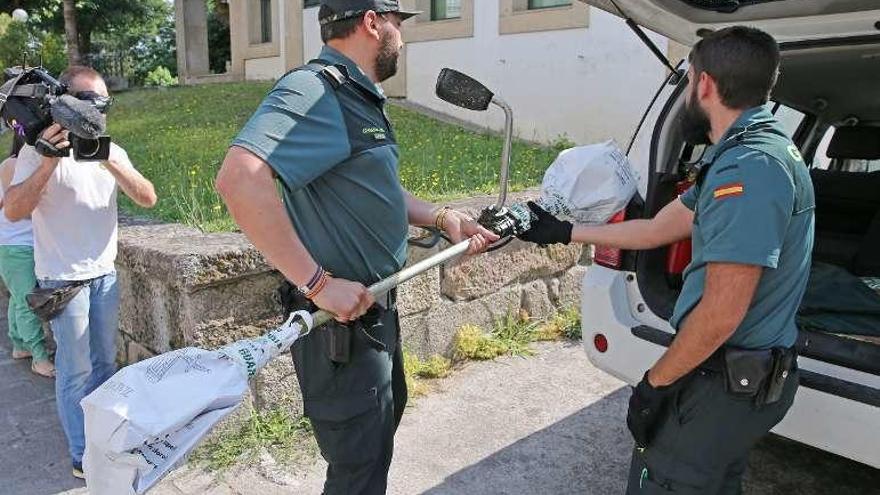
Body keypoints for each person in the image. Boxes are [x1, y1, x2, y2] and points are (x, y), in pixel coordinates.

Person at [216, 1, 498, 493]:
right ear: (372, 22)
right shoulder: (315, 89)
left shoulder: (358, 97)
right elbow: (239, 179)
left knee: (374, 448)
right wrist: (317, 283)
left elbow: (376, 188)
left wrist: (442, 216)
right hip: (340, 327)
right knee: (357, 471)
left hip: (375, 314)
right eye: (398, 23)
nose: (402, 38)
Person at [519, 26, 813, 494]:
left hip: (724, 383)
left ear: (704, 85)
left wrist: (656, 383)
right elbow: (659, 228)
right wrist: (564, 232)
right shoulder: (745, 153)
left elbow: (720, 314)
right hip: (738, 379)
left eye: (691, 76)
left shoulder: (751, 169)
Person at [4, 66, 157, 479]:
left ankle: (105, 443)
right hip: (62, 280)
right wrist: (50, 162)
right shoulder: (37, 152)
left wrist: (107, 158)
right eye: (90, 102)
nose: (99, 110)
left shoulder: (110, 148)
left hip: (104, 275)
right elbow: (14, 209)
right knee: (76, 370)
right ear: (65, 102)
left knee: (105, 366)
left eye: (104, 103)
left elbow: (147, 197)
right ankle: (80, 455)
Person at [0, 134, 54, 377]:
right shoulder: (12, 165)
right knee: (28, 302)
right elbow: (19, 211)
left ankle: (20, 345)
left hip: (15, 245)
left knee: (18, 297)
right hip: (17, 245)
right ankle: (39, 357)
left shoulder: (13, 164)